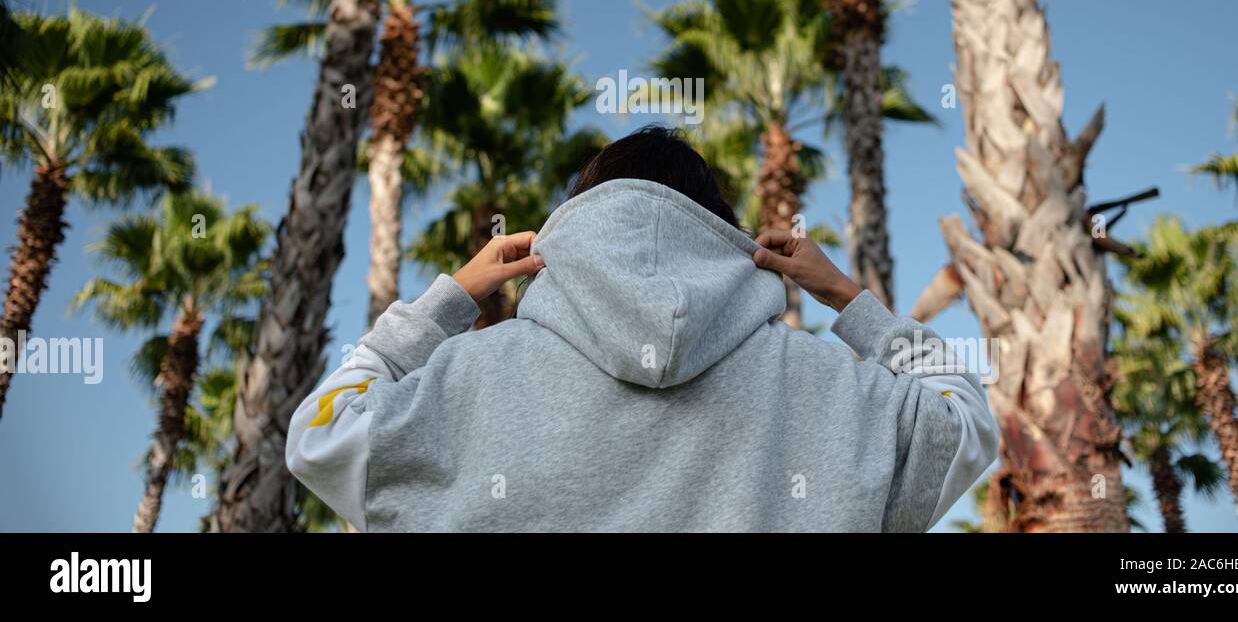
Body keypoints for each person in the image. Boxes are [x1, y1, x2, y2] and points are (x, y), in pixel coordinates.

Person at [286, 125, 998, 531]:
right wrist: (847, 296)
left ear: (573, 224)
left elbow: (320, 435)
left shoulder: (468, 378)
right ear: (725, 232)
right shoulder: (827, 387)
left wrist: (449, 299)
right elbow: (963, 417)